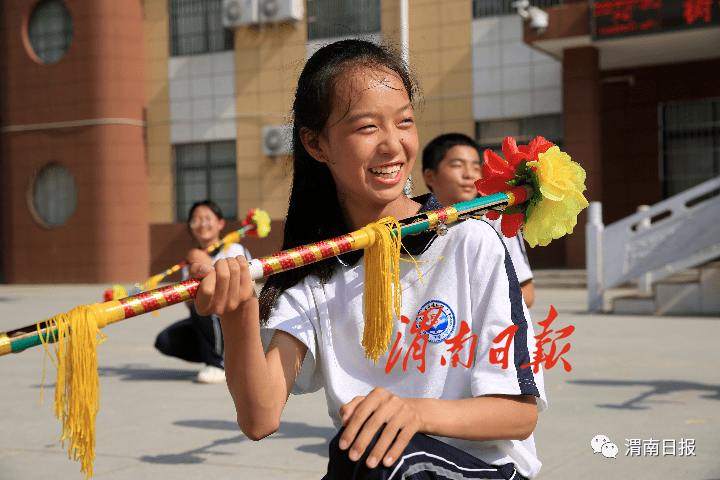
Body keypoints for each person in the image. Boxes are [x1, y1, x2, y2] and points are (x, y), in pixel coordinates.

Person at [189, 40, 546, 479]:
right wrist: (238, 311)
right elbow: (260, 418)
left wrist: (416, 413)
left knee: (375, 453)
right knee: (362, 454)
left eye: (405, 122)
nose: (393, 145)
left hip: (483, 469)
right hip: (376, 466)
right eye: (366, 128)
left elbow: (518, 414)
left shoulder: (472, 242)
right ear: (316, 144)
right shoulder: (314, 276)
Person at [422, 133, 535, 307]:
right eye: (457, 165)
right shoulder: (417, 223)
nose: (469, 175)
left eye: (475, 167)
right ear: (429, 175)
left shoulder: (496, 218)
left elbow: (526, 294)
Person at [154, 200, 251, 384]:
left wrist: (207, 266)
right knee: (165, 340)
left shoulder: (236, 249)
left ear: (221, 223)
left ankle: (218, 364)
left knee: (207, 305)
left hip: (234, 317)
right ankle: (224, 356)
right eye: (196, 220)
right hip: (207, 318)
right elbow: (190, 304)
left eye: (208, 218)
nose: (202, 224)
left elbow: (244, 289)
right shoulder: (188, 262)